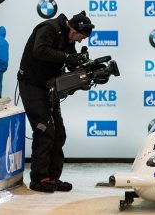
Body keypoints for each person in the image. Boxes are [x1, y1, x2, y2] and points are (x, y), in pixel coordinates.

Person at [18, 11, 95, 193]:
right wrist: (67, 57)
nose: (80, 41)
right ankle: (39, 179)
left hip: (50, 87)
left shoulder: (68, 38)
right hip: (32, 85)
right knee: (45, 130)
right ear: (73, 29)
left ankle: (52, 178)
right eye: (80, 37)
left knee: (59, 133)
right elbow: (40, 50)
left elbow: (70, 63)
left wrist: (86, 66)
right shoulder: (49, 28)